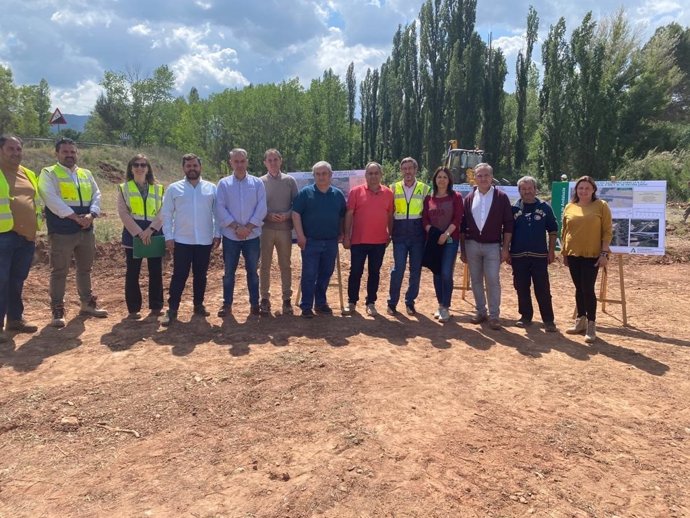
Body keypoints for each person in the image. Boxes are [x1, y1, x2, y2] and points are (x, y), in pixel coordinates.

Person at [38, 137, 108, 327]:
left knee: (85, 269)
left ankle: (87, 304)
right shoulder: (49, 173)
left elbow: (97, 194)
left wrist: (92, 215)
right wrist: (75, 217)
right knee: (59, 271)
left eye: (72, 152)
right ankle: (57, 310)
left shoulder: (86, 173)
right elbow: (51, 199)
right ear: (57, 154)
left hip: (86, 229)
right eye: (65, 152)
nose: (69, 155)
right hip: (62, 231)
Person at [160, 153, 220, 326]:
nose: (192, 169)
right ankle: (172, 310)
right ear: (183, 168)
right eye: (188, 166)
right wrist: (169, 237)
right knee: (179, 275)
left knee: (201, 275)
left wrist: (217, 234)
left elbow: (217, 213)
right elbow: (167, 214)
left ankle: (198, 305)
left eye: (195, 165)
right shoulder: (174, 188)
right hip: (182, 240)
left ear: (200, 167)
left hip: (204, 239)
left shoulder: (211, 188)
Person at [460, 163, 513, 330]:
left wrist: (505, 248)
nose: (483, 179)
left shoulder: (501, 197)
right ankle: (481, 311)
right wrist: (463, 248)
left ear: (491, 177)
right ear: (474, 178)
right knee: (475, 280)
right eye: (479, 176)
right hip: (472, 245)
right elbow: (463, 225)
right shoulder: (469, 198)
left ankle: (494, 315)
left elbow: (509, 224)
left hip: (492, 247)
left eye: (486, 175)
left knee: (492, 280)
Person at [216, 148, 267, 317]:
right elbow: (220, 208)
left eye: (242, 161)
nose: (239, 164)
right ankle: (227, 304)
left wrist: (249, 228)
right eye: (236, 161)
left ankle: (254, 304)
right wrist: (237, 228)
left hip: (252, 237)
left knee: (252, 272)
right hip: (231, 236)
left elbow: (262, 207)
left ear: (247, 162)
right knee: (229, 273)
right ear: (230, 162)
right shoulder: (223, 184)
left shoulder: (257, 183)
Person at [292, 161, 346, 318]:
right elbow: (296, 214)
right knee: (309, 274)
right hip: (310, 242)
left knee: (326, 273)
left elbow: (342, 215)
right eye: (318, 174)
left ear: (331, 175)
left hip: (330, 242)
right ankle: (306, 306)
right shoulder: (305, 193)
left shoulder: (338, 194)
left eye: (324, 174)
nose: (321, 177)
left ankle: (320, 303)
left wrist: (341, 232)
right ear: (313, 176)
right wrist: (300, 236)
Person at [561, 175, 612, 343]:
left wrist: (604, 254)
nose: (583, 191)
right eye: (580, 188)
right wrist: (564, 253)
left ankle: (591, 324)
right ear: (576, 190)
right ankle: (580, 321)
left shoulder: (601, 206)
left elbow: (607, 231)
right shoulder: (569, 206)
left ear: (593, 190)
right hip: (574, 254)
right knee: (578, 288)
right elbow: (565, 231)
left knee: (588, 289)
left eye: (587, 188)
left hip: (592, 255)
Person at [0, 136, 41, 343]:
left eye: (18, 148)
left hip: (26, 237)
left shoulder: (28, 173)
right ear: (1, 150)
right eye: (10, 148)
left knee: (16, 280)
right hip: (3, 235)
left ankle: (14, 319)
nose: (16, 152)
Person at [507, 176, 558, 332]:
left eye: (530, 188)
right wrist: (507, 251)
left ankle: (548, 320)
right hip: (518, 256)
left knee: (542, 288)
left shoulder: (544, 207)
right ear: (519, 191)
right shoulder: (514, 208)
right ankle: (525, 317)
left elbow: (553, 230)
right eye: (524, 189)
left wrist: (551, 251)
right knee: (521, 288)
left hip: (539, 256)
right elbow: (507, 232)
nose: (527, 191)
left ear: (535, 189)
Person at [342, 161, 394, 316]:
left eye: (376, 173)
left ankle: (371, 303)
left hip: (379, 241)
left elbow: (390, 215)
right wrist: (346, 236)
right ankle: (351, 302)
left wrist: (390, 234)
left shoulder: (388, 193)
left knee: (374, 272)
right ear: (365, 176)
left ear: (381, 175)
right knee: (355, 271)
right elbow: (349, 214)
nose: (373, 176)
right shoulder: (356, 192)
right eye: (370, 173)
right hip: (358, 240)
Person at [117, 154, 164, 320]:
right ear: (131, 168)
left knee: (156, 271)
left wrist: (150, 230)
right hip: (133, 236)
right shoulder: (124, 188)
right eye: (136, 164)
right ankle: (134, 309)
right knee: (132, 272)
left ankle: (156, 306)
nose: (139, 167)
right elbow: (123, 213)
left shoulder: (158, 188)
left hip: (154, 234)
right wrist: (138, 232)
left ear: (148, 168)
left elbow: (162, 212)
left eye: (143, 165)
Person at [388, 157, 431, 316]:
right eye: (404, 168)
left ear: (415, 170)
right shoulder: (393, 188)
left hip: (417, 236)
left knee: (415, 271)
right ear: (401, 170)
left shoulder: (425, 189)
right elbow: (388, 213)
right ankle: (392, 302)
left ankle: (410, 302)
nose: (407, 171)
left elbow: (428, 213)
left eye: (410, 168)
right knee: (398, 269)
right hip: (399, 235)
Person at [259, 149, 298, 315]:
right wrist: (267, 214)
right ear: (265, 163)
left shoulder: (290, 181)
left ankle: (286, 300)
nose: (273, 162)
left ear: (281, 161)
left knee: (285, 265)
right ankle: (265, 299)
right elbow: (256, 206)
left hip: (284, 230)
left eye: (276, 159)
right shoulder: (259, 182)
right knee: (264, 265)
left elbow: (297, 205)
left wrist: (287, 215)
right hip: (265, 229)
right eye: (270, 160)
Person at [422, 167, 463, 323]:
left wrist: (445, 235)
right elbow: (424, 220)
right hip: (434, 241)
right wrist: (433, 234)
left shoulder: (456, 197)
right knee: (437, 273)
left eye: (445, 177)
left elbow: (457, 219)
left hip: (450, 240)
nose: (442, 180)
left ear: (449, 180)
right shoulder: (429, 199)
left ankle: (446, 306)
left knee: (446, 273)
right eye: (439, 177)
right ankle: (440, 305)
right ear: (435, 179)